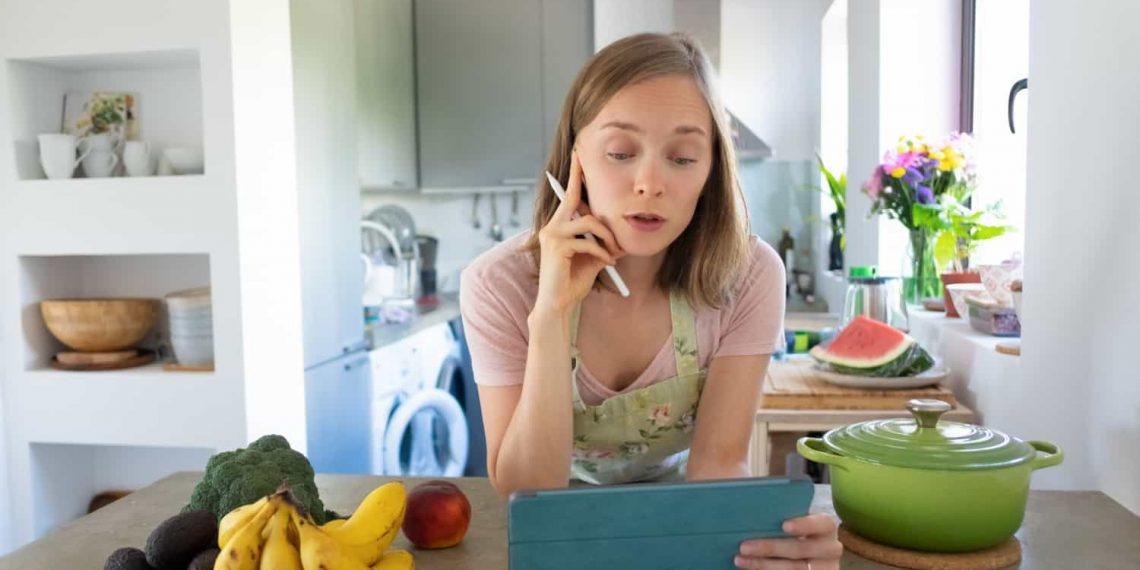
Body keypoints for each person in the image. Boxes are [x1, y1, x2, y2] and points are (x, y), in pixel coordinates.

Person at [460, 33, 841, 569]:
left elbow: (715, 466)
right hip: (548, 534)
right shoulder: (496, 284)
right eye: (620, 153)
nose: (649, 183)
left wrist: (768, 538)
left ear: (711, 170)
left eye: (683, 158)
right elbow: (525, 487)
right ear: (577, 159)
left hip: (679, 519)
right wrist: (550, 315)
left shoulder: (750, 274)